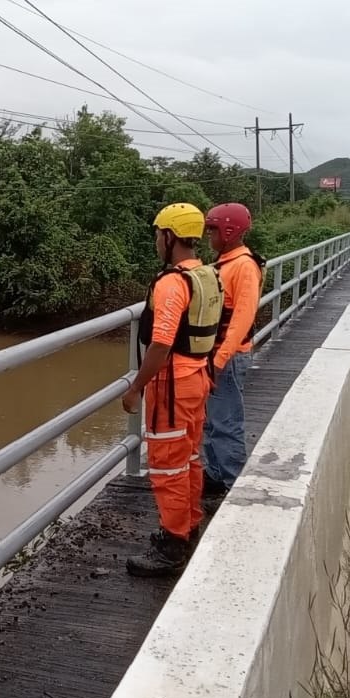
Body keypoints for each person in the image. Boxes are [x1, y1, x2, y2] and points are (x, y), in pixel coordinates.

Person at [120, 203, 223, 577]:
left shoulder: (172, 284)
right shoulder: (207, 275)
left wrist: (135, 388)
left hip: (172, 387)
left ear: (170, 237)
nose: (154, 241)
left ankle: (173, 545)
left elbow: (160, 345)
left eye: (157, 234)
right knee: (190, 458)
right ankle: (188, 524)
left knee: (166, 466)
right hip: (197, 377)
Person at [200, 203, 265, 512]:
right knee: (212, 421)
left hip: (227, 357)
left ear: (229, 230)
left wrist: (220, 358)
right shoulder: (225, 261)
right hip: (214, 356)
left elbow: (242, 316)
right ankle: (214, 474)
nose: (208, 235)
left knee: (226, 422)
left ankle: (233, 484)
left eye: (212, 229)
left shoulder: (244, 266)